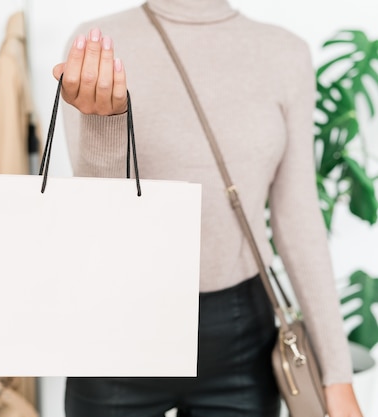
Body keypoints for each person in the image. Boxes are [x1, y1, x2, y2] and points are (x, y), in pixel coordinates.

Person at [52, 0, 364, 416]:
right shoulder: (100, 44)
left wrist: (337, 377)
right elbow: (100, 209)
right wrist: (103, 123)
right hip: (121, 327)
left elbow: (298, 217)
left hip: (239, 334)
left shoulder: (285, 53)